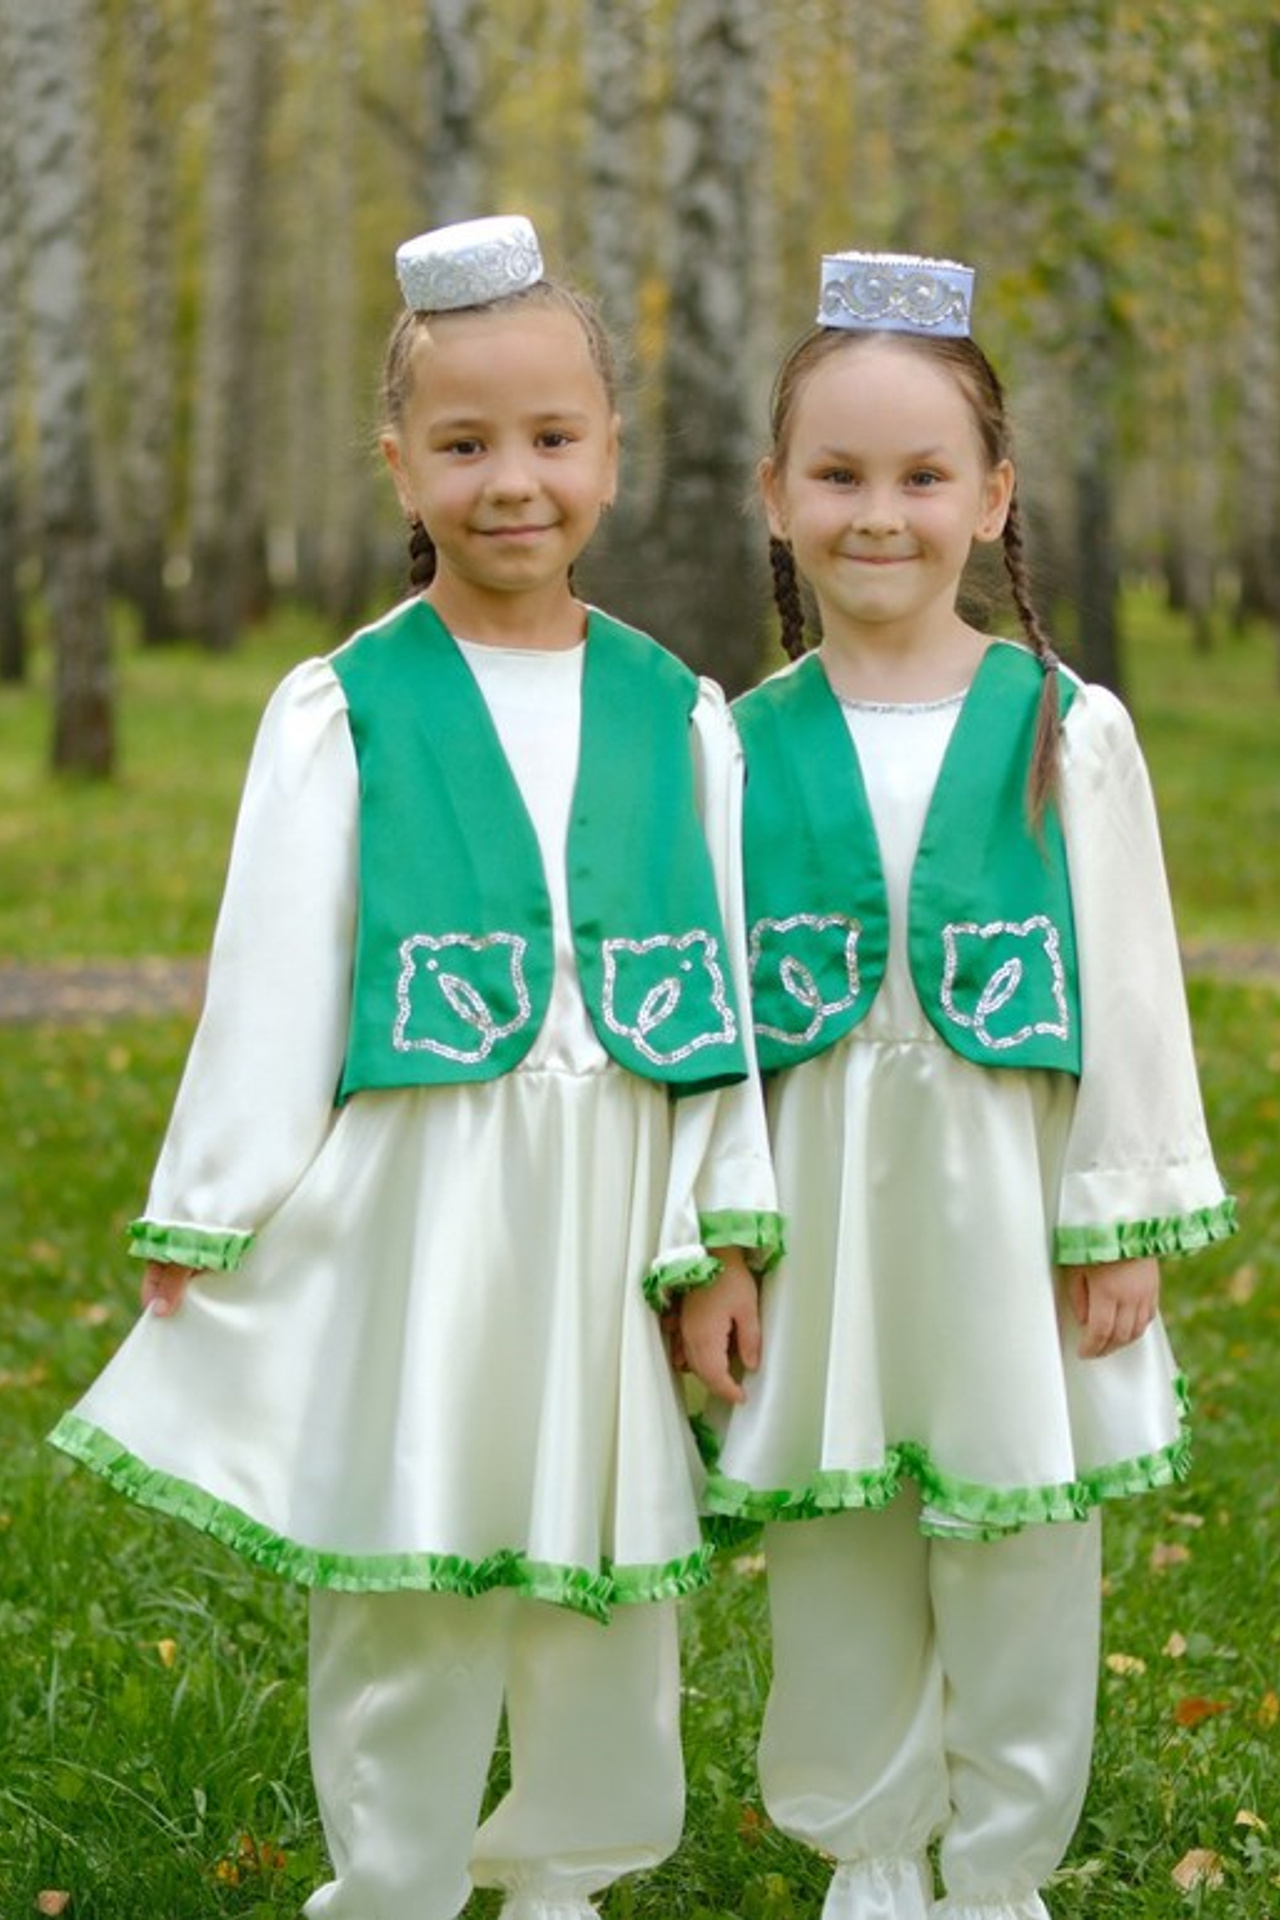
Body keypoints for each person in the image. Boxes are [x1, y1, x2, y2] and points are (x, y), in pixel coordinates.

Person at [51, 214, 781, 1920]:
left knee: (606, 1568)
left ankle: (564, 1875)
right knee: (414, 1556)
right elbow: (275, 975)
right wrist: (206, 1203)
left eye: (549, 438)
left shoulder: (682, 716)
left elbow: (725, 1003)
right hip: (427, 1205)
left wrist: (724, 1233)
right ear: (399, 466)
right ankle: (390, 1879)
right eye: (463, 445)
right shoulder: (342, 706)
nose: (509, 480)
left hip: (612, 1208)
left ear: (612, 450)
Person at [679, 250, 1236, 1920]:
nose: (880, 515)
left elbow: (1132, 991)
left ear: (993, 499)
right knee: (840, 1536)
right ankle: (870, 1843)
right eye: (838, 475)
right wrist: (714, 1230)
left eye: (924, 477)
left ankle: (1001, 1865)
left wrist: (1116, 1210)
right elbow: (698, 1014)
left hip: (1012, 1192)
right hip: (821, 1191)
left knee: (1017, 1539)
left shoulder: (1071, 727)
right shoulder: (732, 738)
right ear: (774, 497)